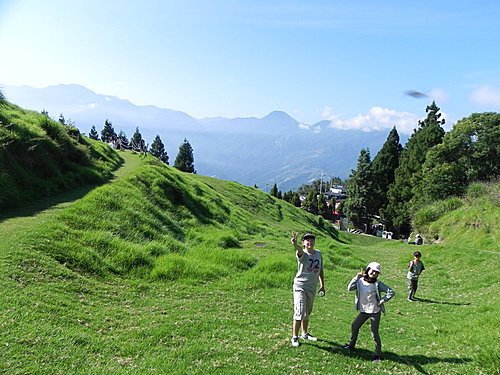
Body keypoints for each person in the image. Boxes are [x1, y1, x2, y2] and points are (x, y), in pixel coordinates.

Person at [344, 262, 395, 362]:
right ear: (368, 270)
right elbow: (350, 288)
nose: (374, 273)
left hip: (374, 311)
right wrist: (356, 277)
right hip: (364, 311)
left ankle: (378, 354)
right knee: (354, 326)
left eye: (377, 272)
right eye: (372, 271)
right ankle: (351, 345)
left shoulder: (378, 284)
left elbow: (391, 292)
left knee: (374, 332)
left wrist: (382, 301)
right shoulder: (360, 281)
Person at [290, 232, 325, 347]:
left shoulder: (318, 254)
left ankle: (304, 334)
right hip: (300, 286)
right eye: (307, 240)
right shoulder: (302, 254)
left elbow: (320, 270)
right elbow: (299, 250)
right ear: (303, 243)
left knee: (307, 311)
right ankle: (294, 337)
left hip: (312, 287)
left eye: (311, 240)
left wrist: (322, 285)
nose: (309, 242)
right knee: (299, 311)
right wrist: (295, 244)